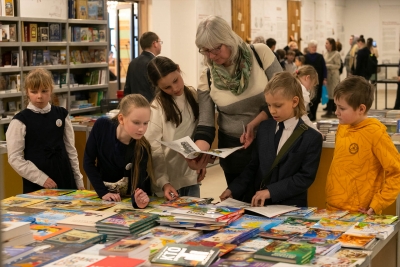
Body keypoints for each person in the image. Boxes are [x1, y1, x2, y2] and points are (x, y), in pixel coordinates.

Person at [192, 15, 282, 186]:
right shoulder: (208, 75)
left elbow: (284, 96)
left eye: (216, 48)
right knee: (239, 206)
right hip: (235, 153)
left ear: (228, 39)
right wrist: (198, 154)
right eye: (205, 50)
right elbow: (206, 124)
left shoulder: (260, 54)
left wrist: (255, 123)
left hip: (272, 143)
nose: (211, 56)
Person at [219, 72, 323, 206]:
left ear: (295, 101)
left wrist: (271, 191)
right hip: (260, 206)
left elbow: (304, 177)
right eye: (268, 105)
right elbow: (254, 166)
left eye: (278, 106)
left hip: (291, 207)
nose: (272, 111)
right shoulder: (264, 128)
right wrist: (234, 188)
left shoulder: (311, 137)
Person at [326, 76, 400, 215]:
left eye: (342, 108)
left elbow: (396, 171)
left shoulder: (375, 133)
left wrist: (378, 203)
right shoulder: (343, 127)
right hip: (333, 209)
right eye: (336, 106)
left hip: (360, 213)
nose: (336, 112)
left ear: (361, 109)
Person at [6, 68, 85, 193]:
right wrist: (41, 178)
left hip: (65, 178)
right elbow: (14, 158)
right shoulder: (20, 121)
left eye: (44, 91)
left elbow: (71, 150)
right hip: (37, 184)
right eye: (34, 92)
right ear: (27, 92)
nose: (39, 96)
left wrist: (78, 180)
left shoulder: (61, 114)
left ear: (51, 91)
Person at [145, 56, 205, 200]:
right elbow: (154, 150)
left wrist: (201, 162)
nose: (175, 88)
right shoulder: (156, 108)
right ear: (158, 87)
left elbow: (200, 134)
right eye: (167, 87)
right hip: (167, 182)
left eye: (176, 80)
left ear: (178, 69)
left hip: (191, 177)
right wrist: (164, 182)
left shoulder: (193, 96)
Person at [83, 94, 153, 208]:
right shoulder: (102, 126)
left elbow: (139, 186)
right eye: (136, 122)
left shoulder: (142, 147)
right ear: (121, 119)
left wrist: (139, 200)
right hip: (102, 196)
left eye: (145, 123)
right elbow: (88, 161)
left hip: (125, 202)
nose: (142, 129)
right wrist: (103, 192)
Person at [124, 32, 162, 102]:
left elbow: (127, 89)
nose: (161, 45)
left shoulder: (133, 63)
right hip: (152, 106)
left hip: (135, 106)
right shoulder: (155, 63)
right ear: (155, 44)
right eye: (160, 42)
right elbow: (159, 88)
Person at [304, 40, 327, 121]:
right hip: (308, 81)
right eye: (312, 47)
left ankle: (314, 114)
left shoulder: (320, 56)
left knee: (317, 97)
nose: (314, 48)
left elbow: (324, 68)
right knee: (309, 97)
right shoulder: (306, 57)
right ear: (309, 47)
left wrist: (324, 78)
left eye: (315, 47)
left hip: (318, 80)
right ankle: (310, 114)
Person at [293, 66, 319, 131]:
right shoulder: (302, 92)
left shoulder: (292, 84)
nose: (310, 88)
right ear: (307, 78)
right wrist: (316, 131)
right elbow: (302, 117)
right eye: (312, 84)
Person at [322, 38, 341, 118]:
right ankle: (329, 109)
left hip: (333, 76)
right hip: (327, 76)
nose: (325, 45)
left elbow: (338, 65)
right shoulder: (325, 53)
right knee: (328, 93)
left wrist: (327, 65)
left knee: (332, 93)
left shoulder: (336, 54)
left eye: (327, 43)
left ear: (331, 44)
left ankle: (332, 111)